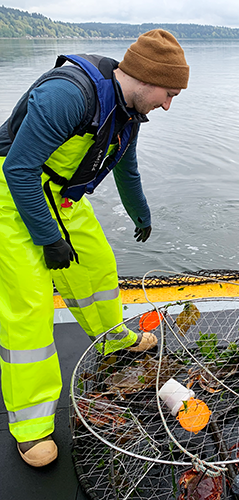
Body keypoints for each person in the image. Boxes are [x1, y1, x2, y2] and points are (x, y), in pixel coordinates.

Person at [0, 29, 189, 467]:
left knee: (97, 265)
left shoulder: (127, 112)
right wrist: (48, 239)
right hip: (12, 191)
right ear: (145, 77)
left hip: (61, 195)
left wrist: (141, 214)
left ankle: (113, 339)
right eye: (168, 93)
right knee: (29, 305)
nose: (168, 104)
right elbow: (19, 168)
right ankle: (30, 428)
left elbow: (126, 168)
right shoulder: (69, 95)